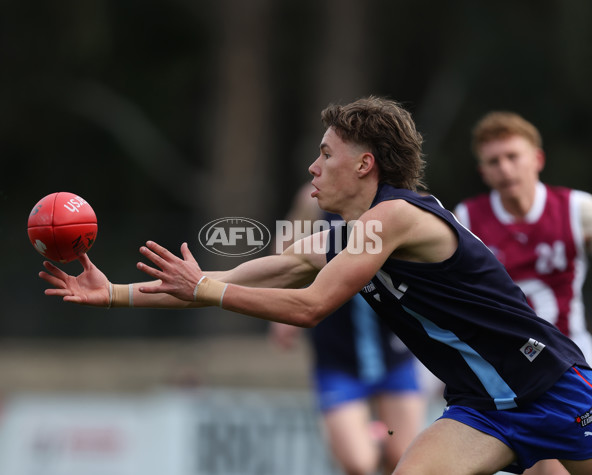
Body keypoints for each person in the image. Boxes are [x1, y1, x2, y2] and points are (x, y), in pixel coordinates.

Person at [39, 96, 592, 475]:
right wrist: (113, 292)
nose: (313, 167)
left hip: (553, 386)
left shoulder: (393, 218)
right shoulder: (350, 233)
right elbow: (217, 281)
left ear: (365, 165)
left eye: (326, 154)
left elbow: (310, 307)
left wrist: (207, 290)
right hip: (484, 409)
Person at [453, 111, 592, 475]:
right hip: (510, 364)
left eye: (513, 156)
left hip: (573, 354)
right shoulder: (467, 219)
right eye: (494, 161)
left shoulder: (577, 210)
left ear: (537, 159)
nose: (505, 168)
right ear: (483, 171)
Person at [269, 181, 425, 474]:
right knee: (358, 463)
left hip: (395, 349)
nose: (319, 166)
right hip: (336, 351)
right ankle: (375, 440)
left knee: (402, 459)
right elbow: (287, 244)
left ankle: (381, 439)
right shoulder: (313, 198)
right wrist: (279, 313)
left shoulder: (402, 200)